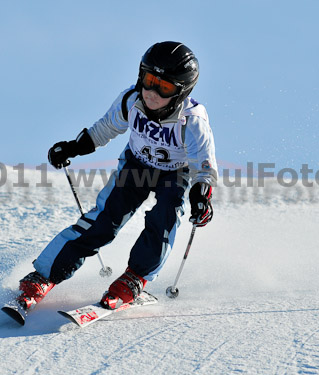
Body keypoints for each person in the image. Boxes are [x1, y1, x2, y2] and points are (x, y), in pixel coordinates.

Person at [16, 41, 217, 311]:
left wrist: (201, 195)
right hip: (136, 166)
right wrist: (74, 147)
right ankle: (43, 276)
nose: (152, 93)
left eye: (165, 87)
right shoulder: (131, 101)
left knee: (164, 221)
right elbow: (104, 129)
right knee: (102, 222)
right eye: (149, 80)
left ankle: (134, 279)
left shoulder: (192, 121)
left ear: (181, 92)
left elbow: (204, 166)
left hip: (174, 174)